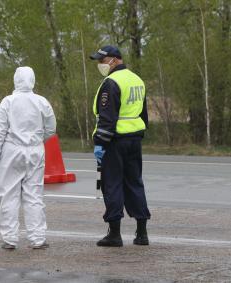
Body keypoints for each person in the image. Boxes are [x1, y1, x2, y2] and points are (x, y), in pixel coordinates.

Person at [0, 66, 56, 250]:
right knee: (34, 195)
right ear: (32, 80)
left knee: (8, 194)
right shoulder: (42, 102)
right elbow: (51, 128)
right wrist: (38, 139)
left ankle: (10, 239)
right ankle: (37, 239)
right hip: (35, 150)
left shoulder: (8, 102)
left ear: (15, 80)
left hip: (12, 151)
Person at [89, 45, 151, 247]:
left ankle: (114, 234)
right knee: (135, 182)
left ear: (114, 60)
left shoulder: (111, 82)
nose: (100, 64)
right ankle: (142, 233)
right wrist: (139, 133)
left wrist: (100, 143)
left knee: (112, 184)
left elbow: (107, 118)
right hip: (134, 139)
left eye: (102, 60)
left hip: (114, 141)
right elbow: (143, 114)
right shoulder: (137, 80)